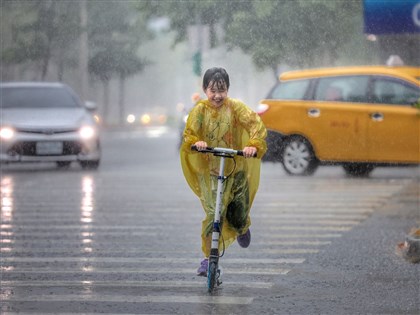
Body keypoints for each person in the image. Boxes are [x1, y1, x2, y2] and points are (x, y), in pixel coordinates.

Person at [180, 67, 267, 276]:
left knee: (237, 213)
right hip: (210, 173)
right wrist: (196, 142)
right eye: (212, 90)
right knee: (214, 214)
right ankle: (207, 258)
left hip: (235, 170)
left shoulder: (236, 108)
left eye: (222, 90)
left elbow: (256, 124)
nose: (217, 95)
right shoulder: (199, 111)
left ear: (228, 90)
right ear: (204, 89)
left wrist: (253, 145)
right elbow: (190, 133)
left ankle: (242, 226)